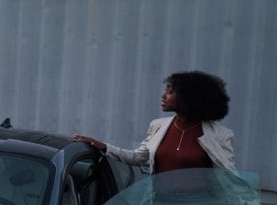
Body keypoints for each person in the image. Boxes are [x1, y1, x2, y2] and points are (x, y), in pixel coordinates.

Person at [74, 70, 235, 174]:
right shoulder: (158, 126)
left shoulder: (221, 135)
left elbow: (229, 178)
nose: (163, 95)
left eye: (170, 91)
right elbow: (138, 158)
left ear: (188, 97)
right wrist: (104, 146)